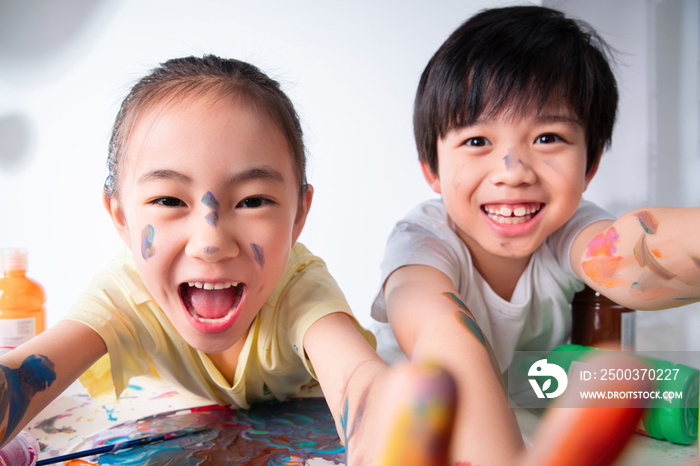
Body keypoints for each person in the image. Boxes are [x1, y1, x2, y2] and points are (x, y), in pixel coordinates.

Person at [0, 55, 395, 465]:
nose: (211, 243)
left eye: (253, 201)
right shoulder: (126, 294)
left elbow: (358, 383)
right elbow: (23, 375)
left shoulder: (299, 289)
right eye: (169, 200)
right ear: (120, 216)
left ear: (299, 215)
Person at [371, 5, 700, 465]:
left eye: (547, 138)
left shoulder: (570, 228)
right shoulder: (421, 242)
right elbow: (443, 340)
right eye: (477, 141)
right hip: (417, 435)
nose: (513, 172)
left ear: (589, 166)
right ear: (433, 170)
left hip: (525, 423)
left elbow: (629, 259)